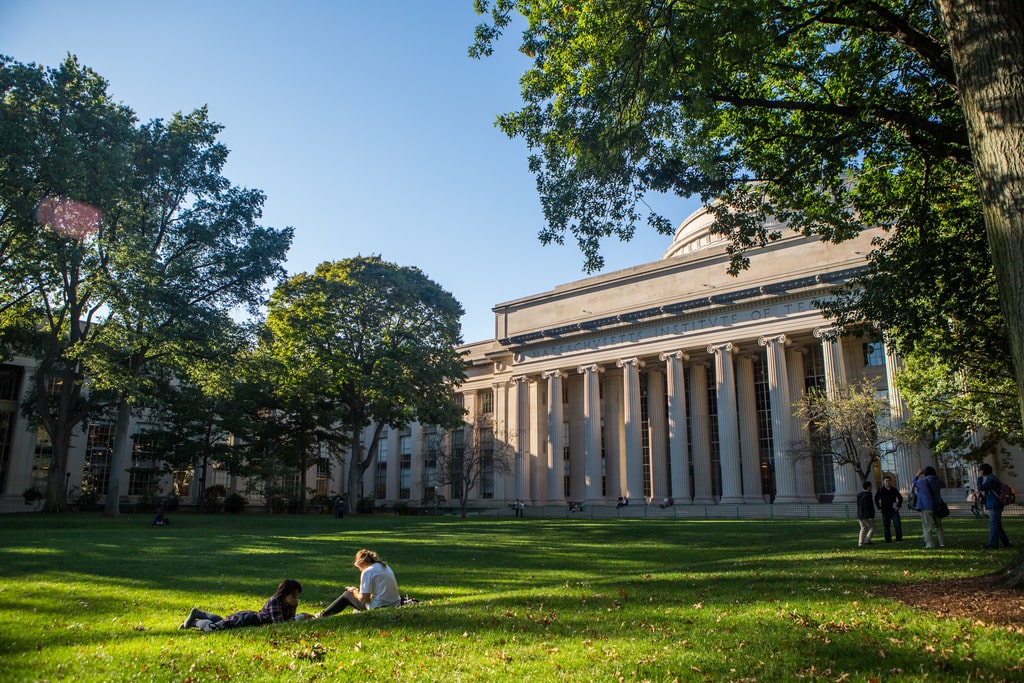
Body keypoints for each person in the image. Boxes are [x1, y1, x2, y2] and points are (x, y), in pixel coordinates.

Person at [181, 579, 305, 632]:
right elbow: (279, 624)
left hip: (252, 619)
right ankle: (195, 622)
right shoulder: (275, 602)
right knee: (214, 629)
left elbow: (289, 621)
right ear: (284, 594)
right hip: (248, 620)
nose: (296, 599)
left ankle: (199, 613)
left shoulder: (292, 603)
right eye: (293, 596)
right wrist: (298, 619)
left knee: (223, 623)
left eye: (297, 596)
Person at [317, 549, 401, 617]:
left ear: (361, 563)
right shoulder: (384, 566)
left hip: (378, 606)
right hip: (395, 603)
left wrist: (354, 591)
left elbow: (364, 599)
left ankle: (322, 615)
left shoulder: (367, 572)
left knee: (347, 595)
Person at [977, 463, 1013, 549]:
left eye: (980, 470)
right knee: (997, 525)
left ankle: (992, 544)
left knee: (993, 523)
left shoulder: (991, 479)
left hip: (995, 504)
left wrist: (979, 478)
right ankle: (1006, 543)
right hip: (995, 504)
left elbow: (980, 487)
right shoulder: (993, 478)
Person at [911, 466, 946, 549]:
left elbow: (913, 483)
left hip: (926, 506)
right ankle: (942, 543)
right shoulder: (938, 481)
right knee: (939, 526)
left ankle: (930, 544)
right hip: (937, 506)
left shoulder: (922, 482)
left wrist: (918, 474)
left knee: (927, 526)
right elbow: (943, 484)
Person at [874, 475, 903, 543]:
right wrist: (879, 508)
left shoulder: (894, 490)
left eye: (889, 481)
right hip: (885, 510)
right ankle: (888, 540)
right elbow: (876, 499)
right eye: (886, 481)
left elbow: (900, 498)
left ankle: (898, 539)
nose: (888, 482)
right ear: (883, 482)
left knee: (897, 524)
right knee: (886, 526)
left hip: (894, 510)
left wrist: (898, 506)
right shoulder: (881, 490)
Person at [856, 480, 875, 546]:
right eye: (871, 486)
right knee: (872, 528)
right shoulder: (867, 496)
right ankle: (867, 539)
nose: (871, 487)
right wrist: (870, 516)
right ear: (868, 487)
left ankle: (860, 542)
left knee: (863, 528)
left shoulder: (860, 495)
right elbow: (867, 507)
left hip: (860, 515)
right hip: (866, 515)